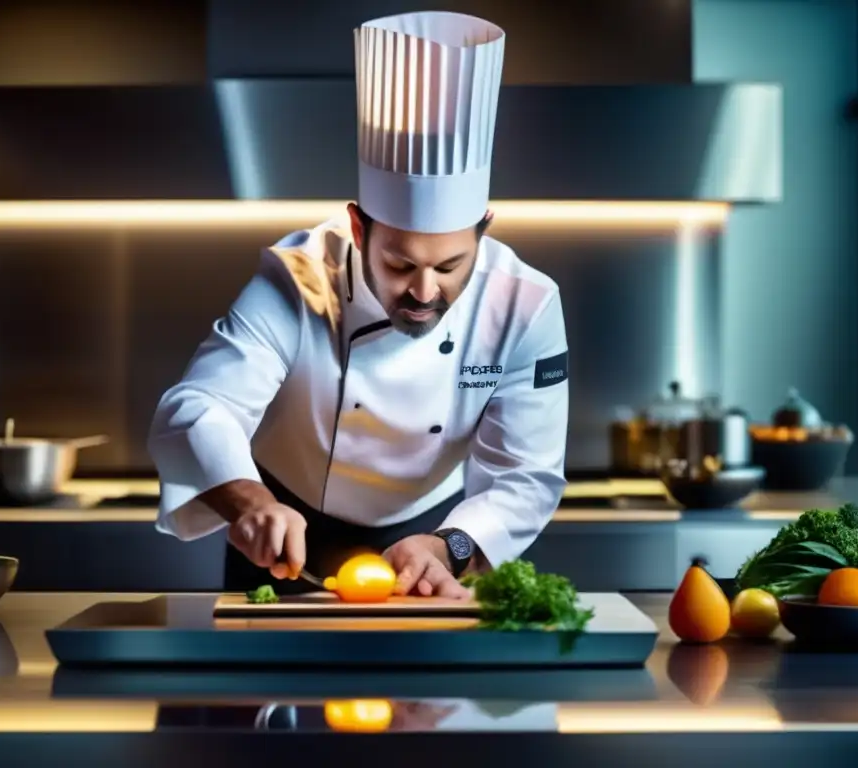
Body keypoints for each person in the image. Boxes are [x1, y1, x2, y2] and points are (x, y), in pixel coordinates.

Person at [148, 11, 569, 599]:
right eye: (399, 264)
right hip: (283, 542)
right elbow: (198, 404)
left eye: (450, 267)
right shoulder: (298, 279)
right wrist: (250, 503)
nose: (424, 292)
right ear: (358, 227)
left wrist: (452, 546)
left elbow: (525, 477)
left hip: (431, 545)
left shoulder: (525, 305)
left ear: (484, 229)